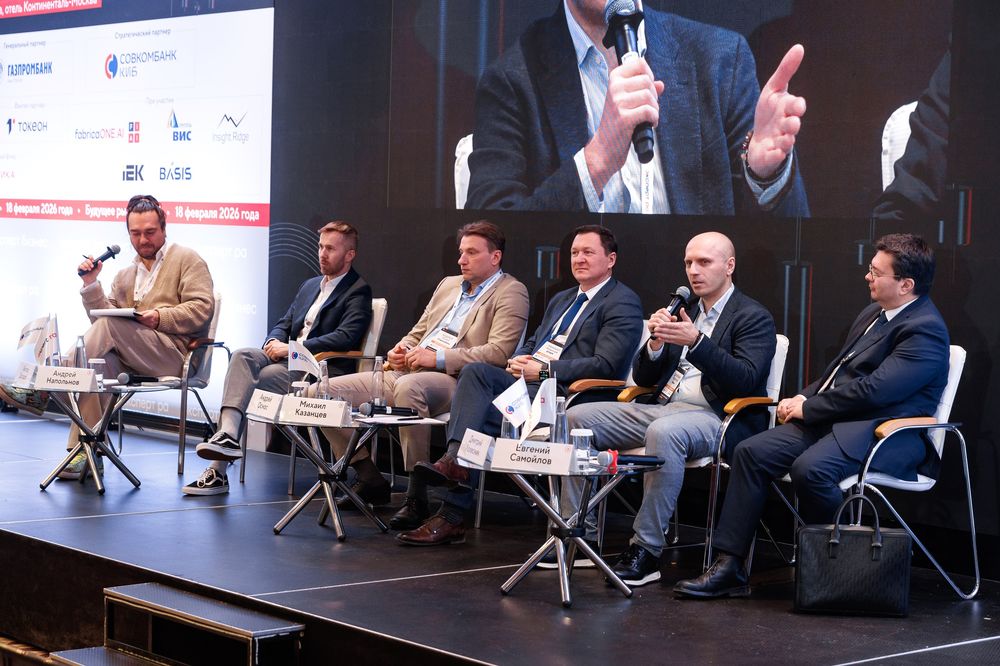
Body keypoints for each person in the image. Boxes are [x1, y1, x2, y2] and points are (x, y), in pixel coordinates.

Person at [675, 233, 949, 599]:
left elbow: (876, 392)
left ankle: (840, 569)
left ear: (906, 285)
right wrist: (804, 396)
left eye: (876, 272)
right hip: (838, 422)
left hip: (887, 433)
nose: (867, 276)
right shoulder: (875, 313)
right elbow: (838, 371)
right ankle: (730, 566)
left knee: (811, 470)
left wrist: (810, 408)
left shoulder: (925, 329)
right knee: (751, 452)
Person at [395, 225, 643, 546]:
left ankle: (451, 511)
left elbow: (607, 365)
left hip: (565, 395)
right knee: (477, 373)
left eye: (588, 252)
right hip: (526, 387)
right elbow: (535, 341)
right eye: (574, 253)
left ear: (610, 260)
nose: (579, 259)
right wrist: (518, 360)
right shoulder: (563, 298)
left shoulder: (622, 301)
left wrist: (544, 370)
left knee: (476, 422)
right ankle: (454, 465)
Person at [554, 232, 775, 584]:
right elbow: (644, 377)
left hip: (717, 416)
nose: (694, 271)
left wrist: (697, 342)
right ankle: (579, 535)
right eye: (689, 263)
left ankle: (646, 549)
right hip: (663, 407)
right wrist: (655, 344)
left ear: (729, 266)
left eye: (704, 262)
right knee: (576, 417)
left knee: (664, 432)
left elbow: (746, 380)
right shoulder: (684, 311)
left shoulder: (752, 316)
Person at [465, 0, 809, 217]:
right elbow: (489, 235)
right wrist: (596, 160)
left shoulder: (718, 58)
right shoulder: (511, 81)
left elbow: (782, 243)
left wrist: (765, 174)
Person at [317, 220, 529, 508]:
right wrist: (401, 349)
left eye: (471, 253)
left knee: (409, 387)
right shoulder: (448, 285)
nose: (461, 260)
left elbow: (498, 353)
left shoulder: (511, 291)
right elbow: (418, 333)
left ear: (495, 257)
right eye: (461, 252)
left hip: (458, 381)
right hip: (410, 370)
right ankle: (368, 476)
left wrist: (438, 358)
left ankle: (416, 495)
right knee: (320, 393)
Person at [183, 221, 373, 495]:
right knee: (242, 356)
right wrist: (273, 341)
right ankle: (227, 437)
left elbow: (345, 337)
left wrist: (293, 348)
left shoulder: (358, 290)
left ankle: (218, 470)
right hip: (287, 362)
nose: (322, 254)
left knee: (255, 380)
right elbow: (284, 322)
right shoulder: (310, 285)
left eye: (330, 249)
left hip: (318, 369)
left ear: (349, 254)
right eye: (320, 246)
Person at [68, 194, 214, 478]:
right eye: (135, 233)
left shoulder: (187, 259)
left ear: (164, 228)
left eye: (150, 232)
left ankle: (46, 385)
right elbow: (101, 324)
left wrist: (159, 317)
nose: (143, 239)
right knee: (94, 365)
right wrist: (91, 283)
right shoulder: (125, 275)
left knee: (108, 329)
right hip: (133, 357)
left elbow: (201, 308)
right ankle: (87, 451)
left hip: (174, 355)